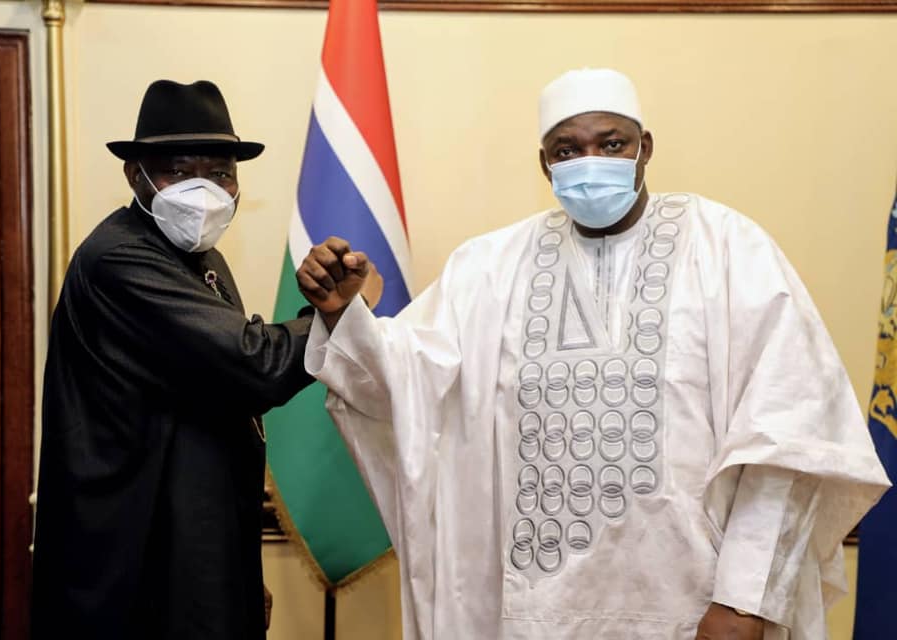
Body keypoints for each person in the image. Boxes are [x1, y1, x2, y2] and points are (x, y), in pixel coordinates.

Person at [295, 69, 891, 639]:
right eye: (567, 149)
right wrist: (343, 315)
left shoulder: (728, 247)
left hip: (695, 607)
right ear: (544, 162)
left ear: (645, 147)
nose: (590, 162)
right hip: (530, 613)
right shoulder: (488, 267)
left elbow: (785, 434)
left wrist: (745, 599)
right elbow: (403, 386)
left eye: (612, 143)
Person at [32, 80, 315, 640]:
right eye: (180, 171)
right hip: (134, 561)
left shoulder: (195, 256)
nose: (205, 190)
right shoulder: (122, 259)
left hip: (191, 547)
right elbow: (255, 364)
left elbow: (223, 394)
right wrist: (333, 316)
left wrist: (236, 573)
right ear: (135, 175)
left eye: (221, 172)